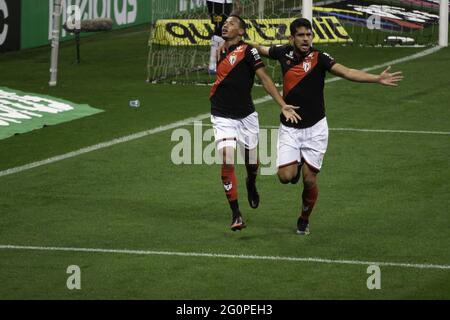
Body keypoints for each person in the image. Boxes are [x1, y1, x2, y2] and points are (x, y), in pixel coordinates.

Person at [253, 18, 403, 235]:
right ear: (292, 38)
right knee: (285, 177)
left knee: (309, 179)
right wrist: (241, 43)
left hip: (315, 129)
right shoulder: (282, 53)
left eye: (309, 35)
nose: (306, 39)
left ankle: (304, 218)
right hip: (290, 128)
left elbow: (348, 72)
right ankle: (295, 164)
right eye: (301, 35)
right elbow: (260, 49)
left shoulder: (320, 58)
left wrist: (377, 79)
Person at [210, 15, 301, 231]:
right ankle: (236, 214)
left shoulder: (248, 51)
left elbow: (265, 79)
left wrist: (282, 104)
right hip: (222, 114)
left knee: (253, 164)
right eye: (226, 23)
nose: (226, 25)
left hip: (246, 116)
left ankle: (251, 182)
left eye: (232, 23)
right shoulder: (219, 50)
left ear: (241, 31)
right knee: (227, 158)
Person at [207, 0, 242, 75]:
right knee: (220, 28)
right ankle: (213, 64)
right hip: (217, 2)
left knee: (225, 26)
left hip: (226, 2)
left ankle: (220, 63)